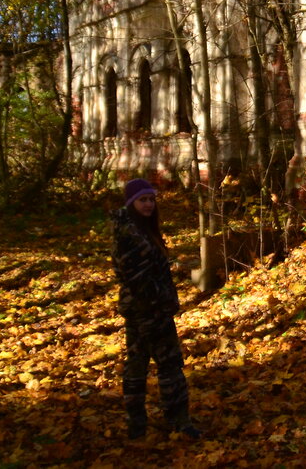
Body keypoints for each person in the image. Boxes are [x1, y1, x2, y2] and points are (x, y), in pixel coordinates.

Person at [111, 178, 200, 439]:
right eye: (142, 200)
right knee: (168, 364)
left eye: (151, 199)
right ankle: (176, 421)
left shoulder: (141, 230)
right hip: (148, 311)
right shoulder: (130, 234)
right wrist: (161, 303)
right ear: (131, 203)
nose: (149, 204)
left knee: (139, 365)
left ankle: (141, 424)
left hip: (148, 309)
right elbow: (135, 279)